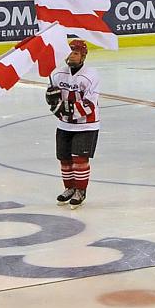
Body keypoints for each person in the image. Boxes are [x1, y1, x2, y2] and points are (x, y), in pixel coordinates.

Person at [45, 40, 100, 209]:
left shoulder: (91, 75)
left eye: (75, 53)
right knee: (64, 159)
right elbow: (53, 98)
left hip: (86, 125)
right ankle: (69, 188)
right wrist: (52, 101)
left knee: (79, 159)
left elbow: (89, 105)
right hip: (64, 125)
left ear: (83, 55)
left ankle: (80, 191)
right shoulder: (56, 74)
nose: (72, 56)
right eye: (69, 52)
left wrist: (66, 109)